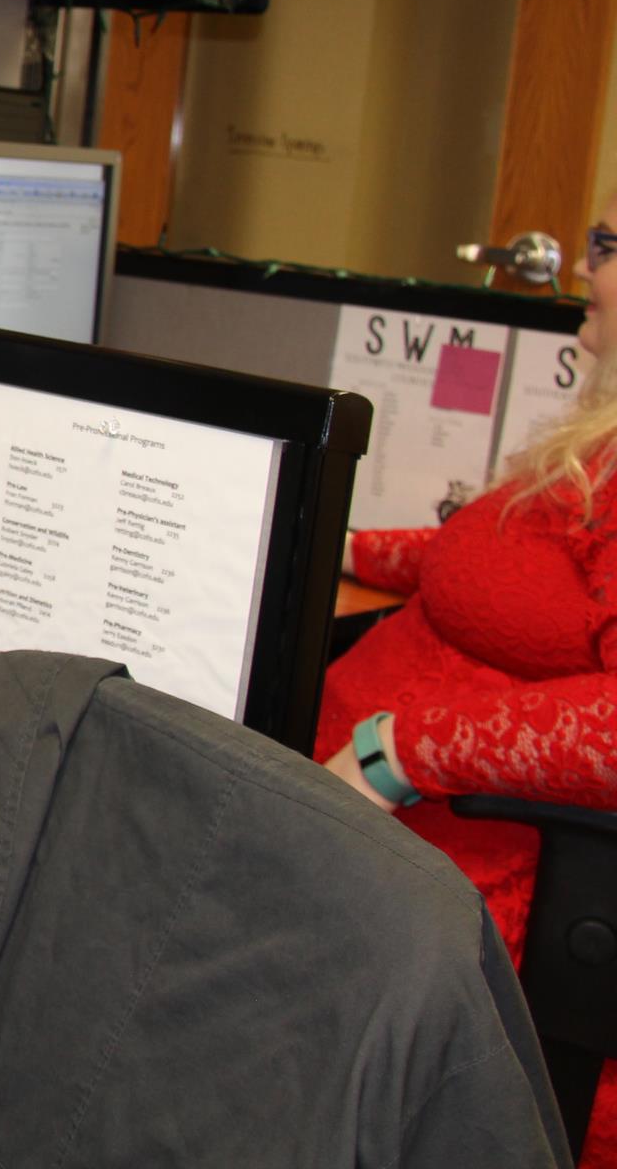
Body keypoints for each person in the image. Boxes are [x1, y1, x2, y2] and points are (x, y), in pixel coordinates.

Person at [321, 200, 617, 1166]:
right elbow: (498, 570)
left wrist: (399, 751)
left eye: (607, 249)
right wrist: (330, 539)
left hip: (468, 909)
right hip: (396, 860)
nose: (583, 274)